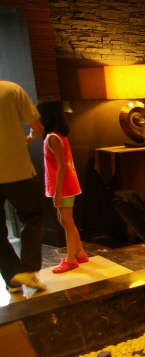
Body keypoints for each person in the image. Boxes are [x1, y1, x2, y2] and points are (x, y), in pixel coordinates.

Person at [0, 80, 46, 292]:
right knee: (31, 217)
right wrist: (30, 137)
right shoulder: (11, 90)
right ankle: (27, 270)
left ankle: (11, 278)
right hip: (17, 170)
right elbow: (37, 127)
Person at [36, 97, 87, 273]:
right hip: (64, 186)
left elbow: (61, 166)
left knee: (66, 221)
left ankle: (71, 259)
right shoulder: (55, 136)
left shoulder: (53, 138)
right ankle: (80, 252)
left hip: (64, 187)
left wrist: (58, 192)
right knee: (65, 220)